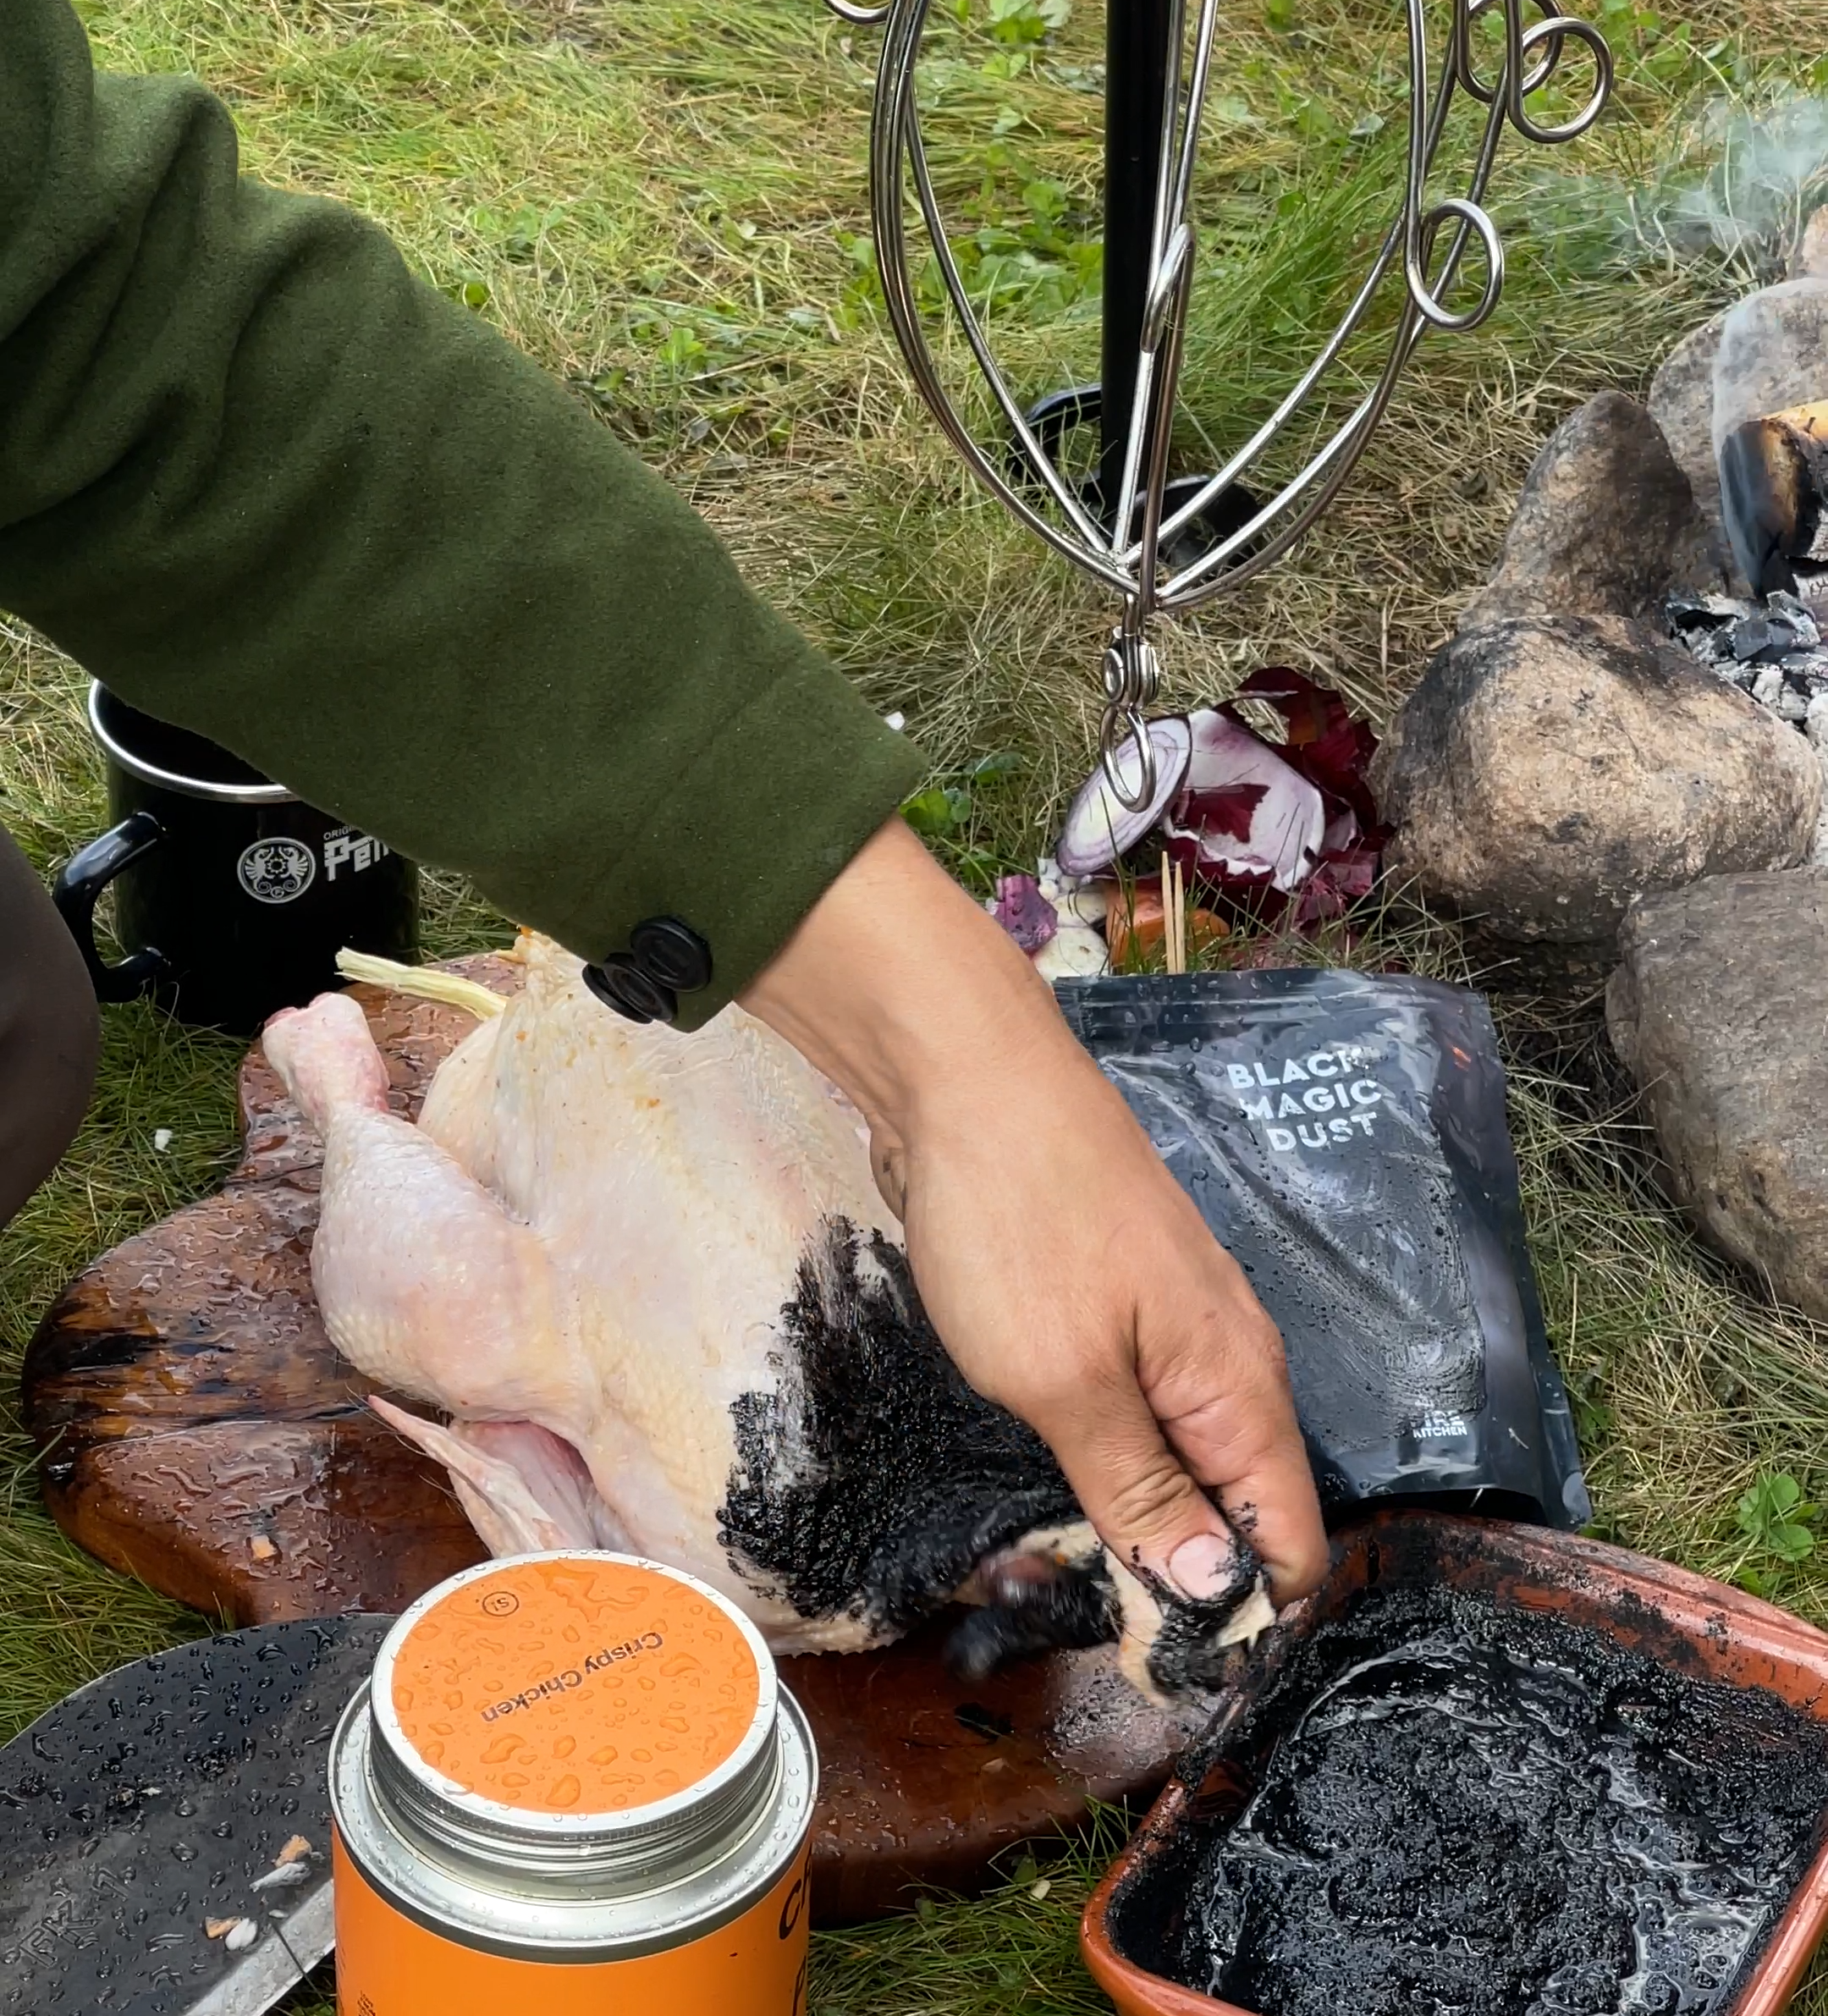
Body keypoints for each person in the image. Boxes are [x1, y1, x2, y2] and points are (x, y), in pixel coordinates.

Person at [0, 0, 1327, 1643]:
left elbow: (137, 349)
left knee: (20, 1027)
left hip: (654, 1104)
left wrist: (969, 1063)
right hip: (611, 1229)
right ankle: (345, 1091)